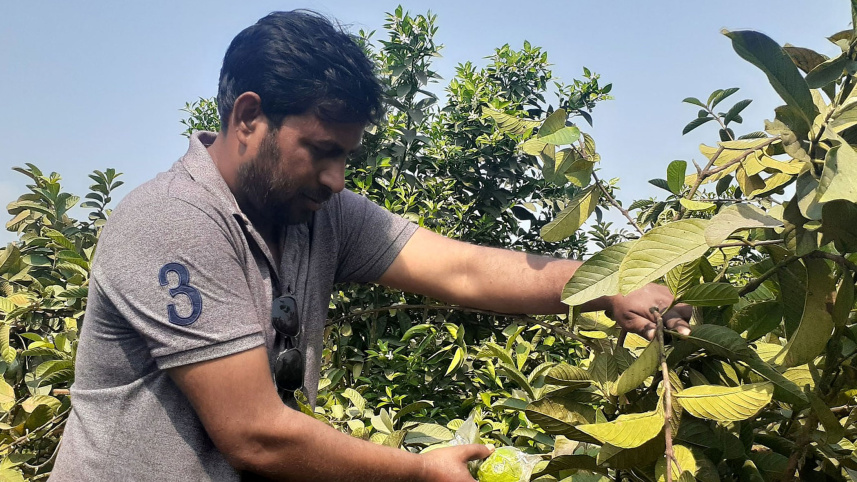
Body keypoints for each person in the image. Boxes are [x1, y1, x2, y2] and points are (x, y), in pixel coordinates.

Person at [49, 10, 690, 482]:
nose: (337, 179)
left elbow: (463, 269)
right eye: (322, 152)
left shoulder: (316, 214)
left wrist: (605, 283)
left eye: (346, 156)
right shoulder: (174, 220)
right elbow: (255, 435)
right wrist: (415, 473)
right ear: (247, 118)